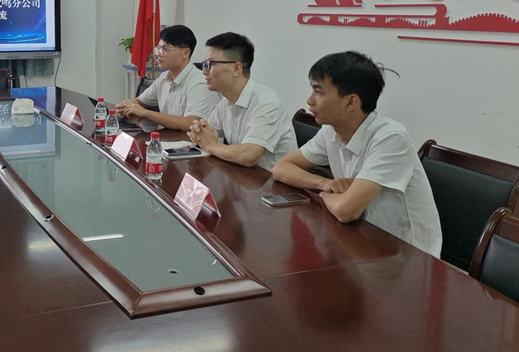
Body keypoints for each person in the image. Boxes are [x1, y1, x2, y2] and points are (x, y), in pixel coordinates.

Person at [272, 51, 442, 256]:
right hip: (359, 241)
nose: (309, 100)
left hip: (406, 256)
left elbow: (346, 211)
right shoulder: (330, 131)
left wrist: (324, 195)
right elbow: (281, 168)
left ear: (351, 102)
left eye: (319, 92)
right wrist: (324, 184)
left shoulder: (391, 138)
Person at [188, 32, 296, 171]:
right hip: (242, 174)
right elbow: (206, 132)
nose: (204, 71)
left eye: (210, 64)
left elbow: (249, 155)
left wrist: (210, 146)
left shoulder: (266, 103)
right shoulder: (226, 100)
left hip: (271, 179)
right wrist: (198, 131)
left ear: (236, 68)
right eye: (204, 64)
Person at [116, 24, 218, 130]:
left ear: (185, 52)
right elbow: (139, 101)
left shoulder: (199, 83)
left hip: (193, 140)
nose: (158, 54)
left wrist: (146, 113)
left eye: (165, 49)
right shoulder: (164, 77)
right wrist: (126, 106)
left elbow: (190, 123)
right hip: (169, 137)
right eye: (158, 48)